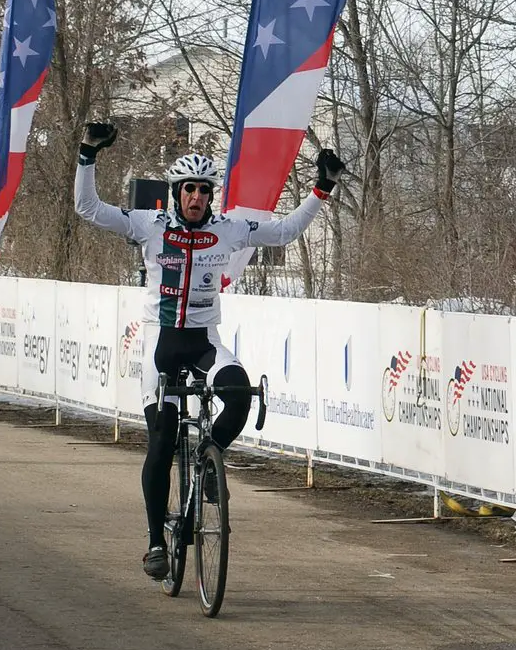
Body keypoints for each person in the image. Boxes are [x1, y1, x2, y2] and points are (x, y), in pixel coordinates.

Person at [75, 122, 345, 580]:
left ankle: (207, 461)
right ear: (176, 193)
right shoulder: (150, 223)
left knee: (239, 395)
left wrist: (322, 187)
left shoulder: (230, 229)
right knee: (161, 442)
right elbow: (89, 208)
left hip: (203, 342)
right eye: (189, 190)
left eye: (203, 190)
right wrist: (87, 155)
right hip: (161, 343)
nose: (196, 197)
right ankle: (155, 542)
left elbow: (283, 232)